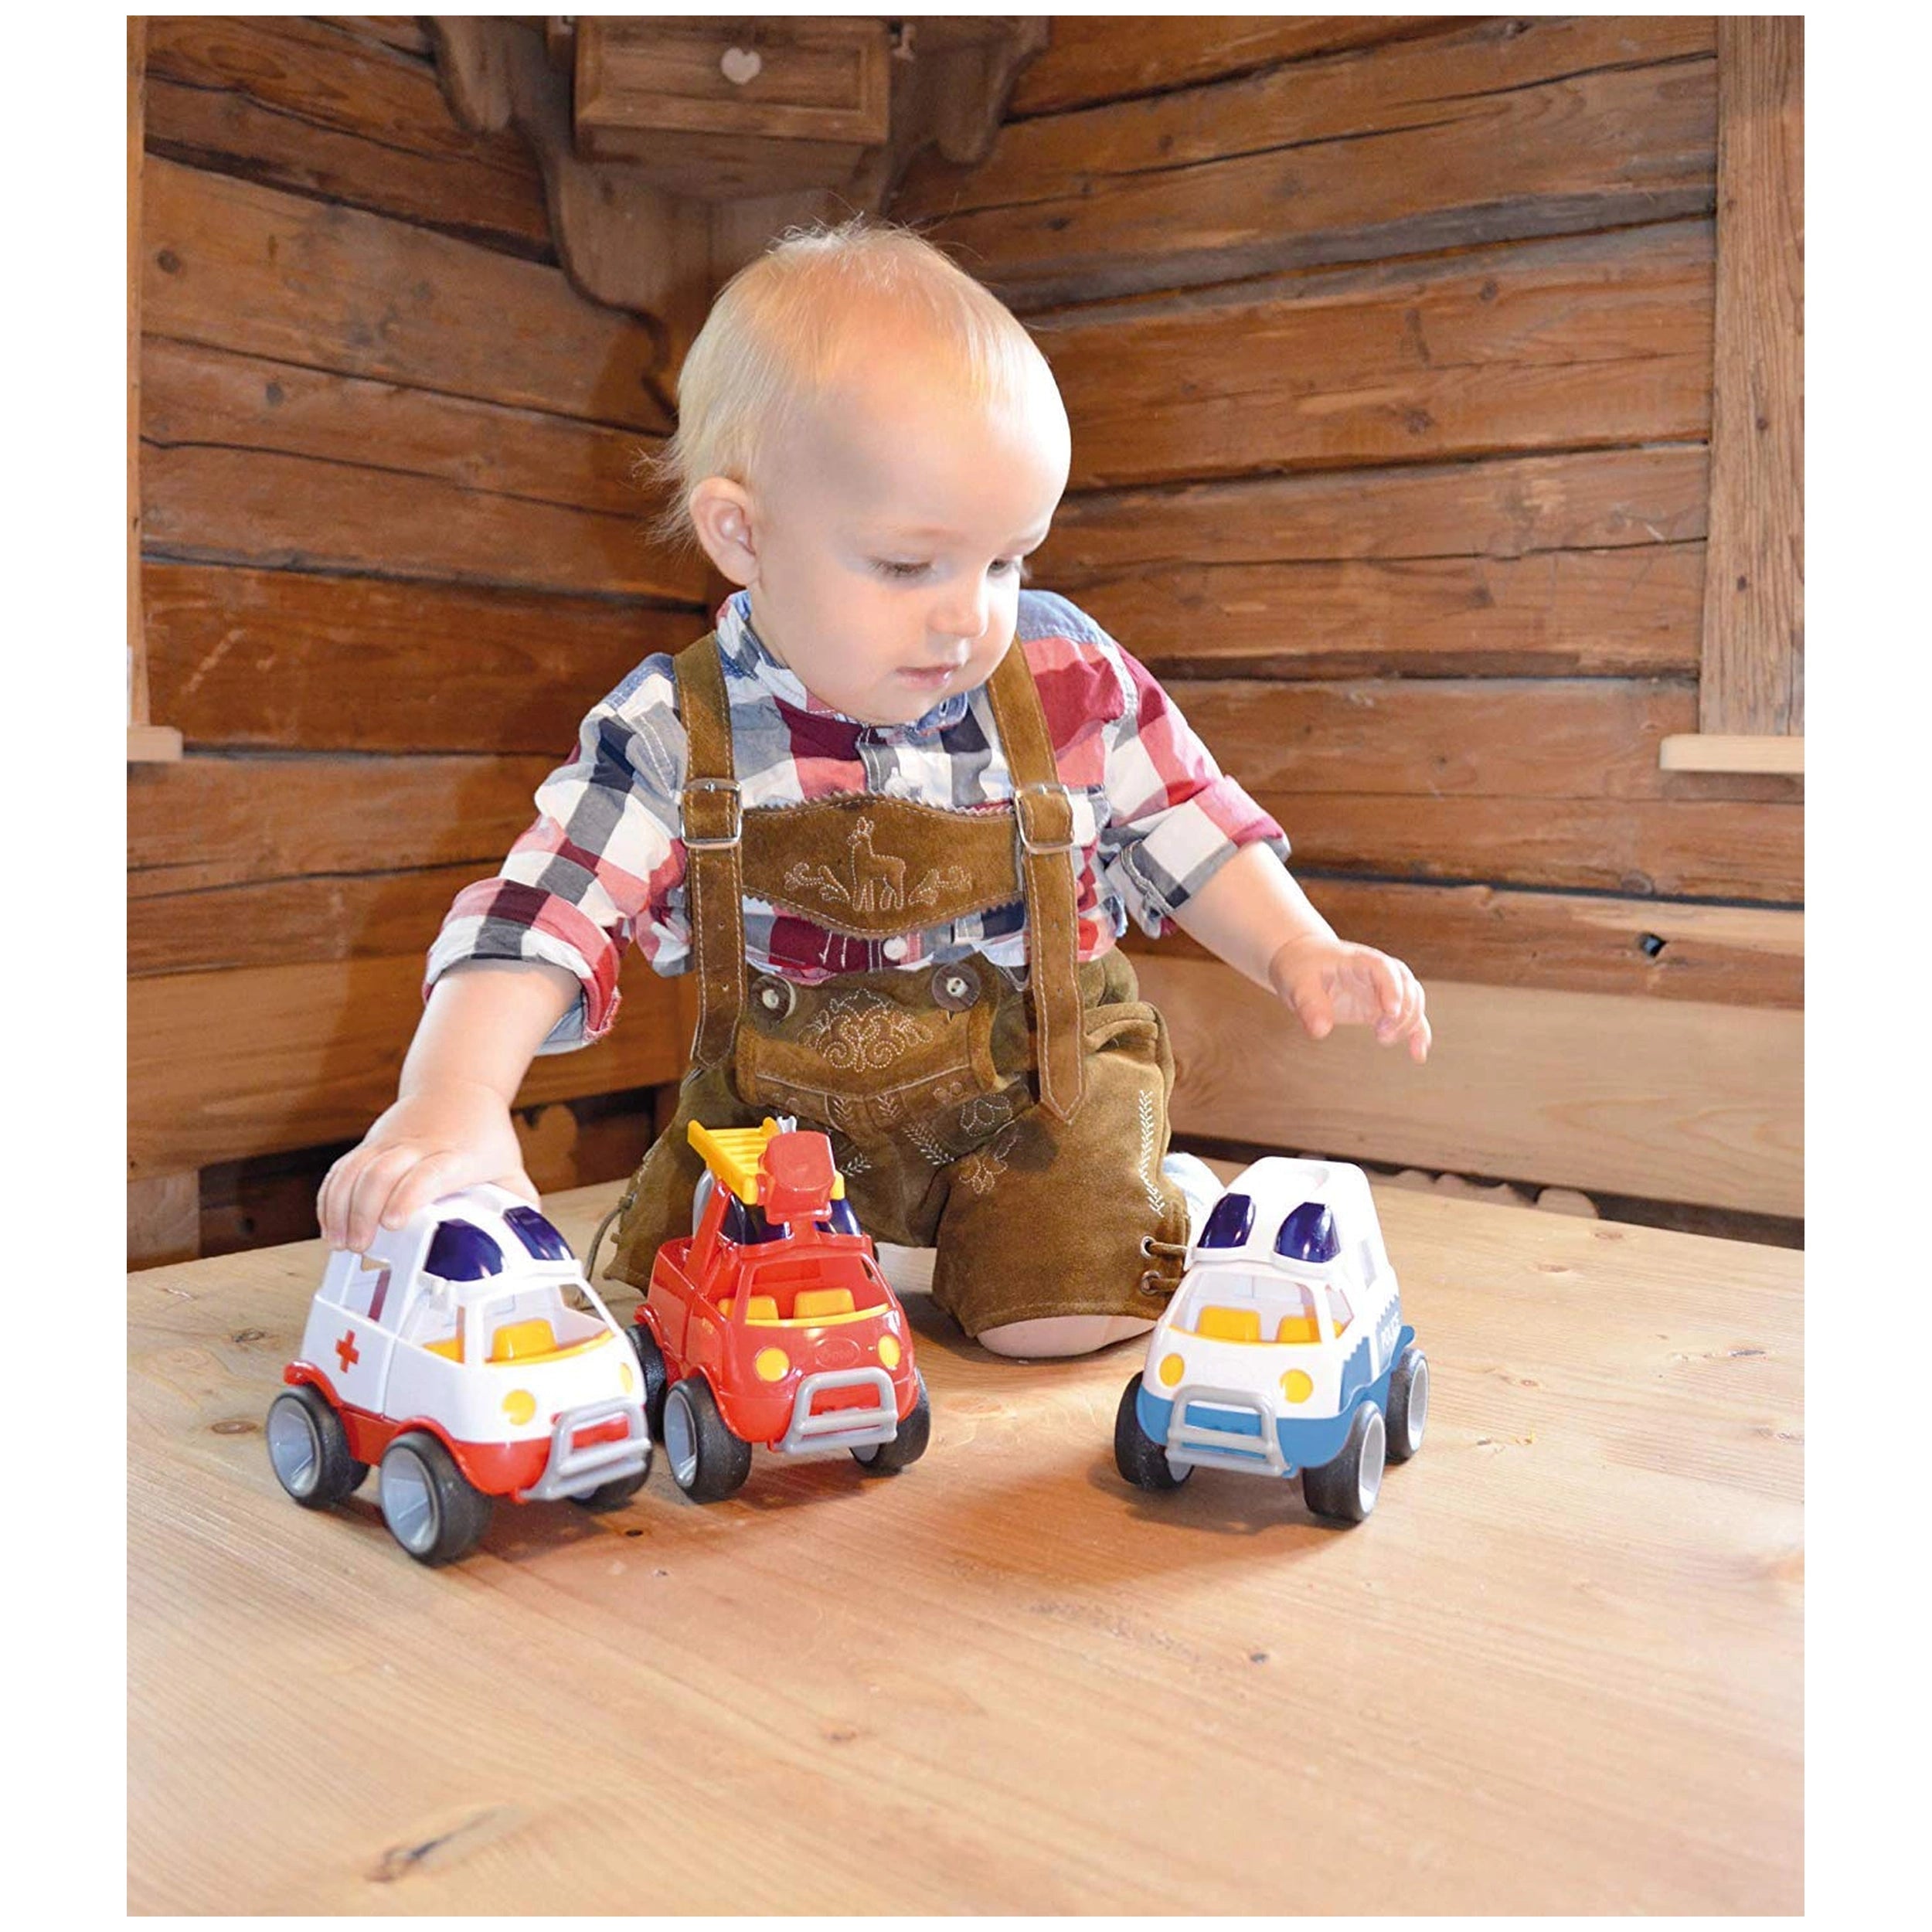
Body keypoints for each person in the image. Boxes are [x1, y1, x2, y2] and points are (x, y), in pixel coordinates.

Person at [316, 219, 1430, 1359]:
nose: (969, 614)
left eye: (1008, 559)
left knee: (1056, 1313)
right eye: (908, 565)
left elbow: (1187, 821)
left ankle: (1147, 1200)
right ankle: (905, 1248)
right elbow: (545, 908)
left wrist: (1298, 947)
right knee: (678, 1324)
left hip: (1039, 1100)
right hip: (780, 1133)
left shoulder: (1066, 676)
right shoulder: (677, 730)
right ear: (742, 535)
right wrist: (455, 1096)